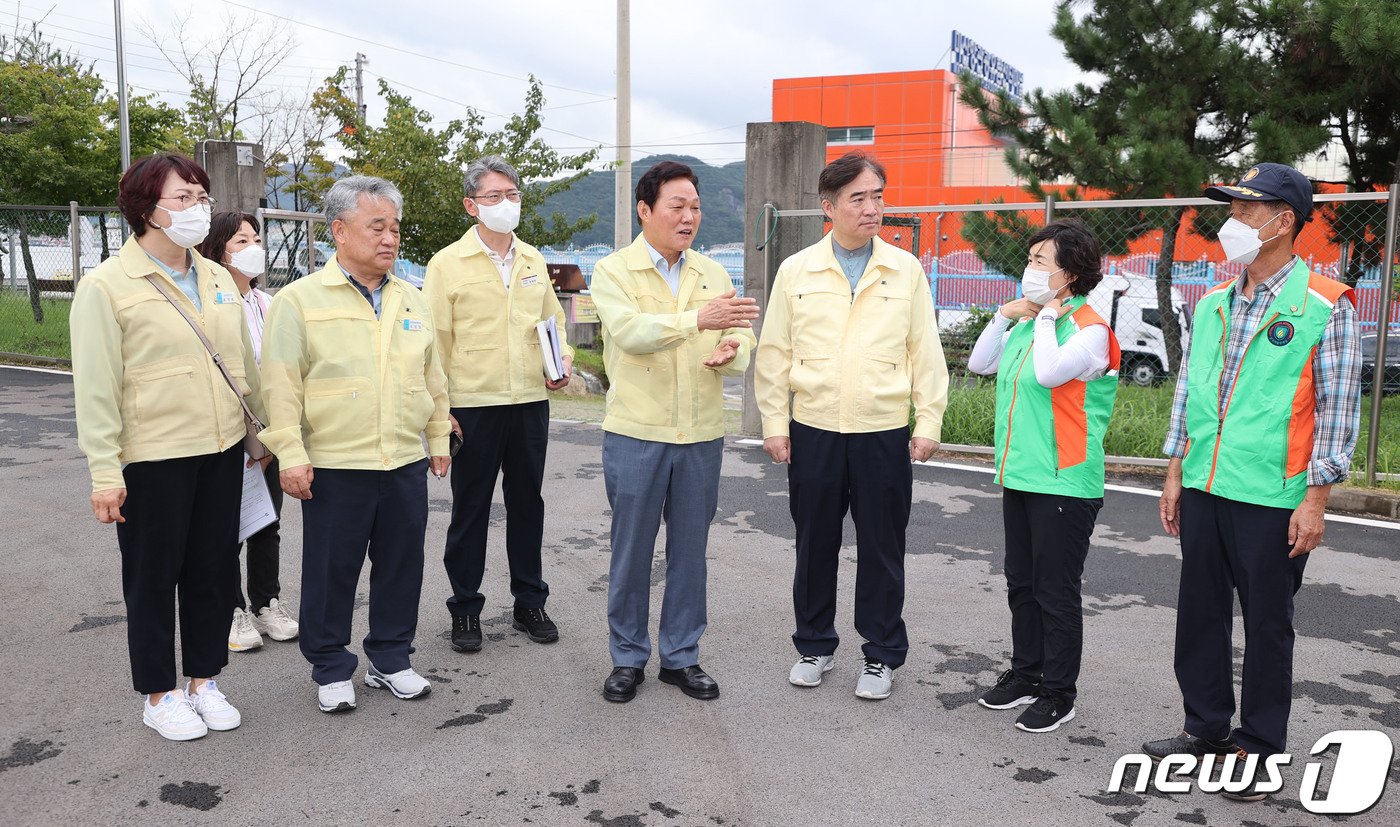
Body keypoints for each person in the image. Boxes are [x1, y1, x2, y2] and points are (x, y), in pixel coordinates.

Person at [1147, 163, 1362, 801]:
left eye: (1245, 211)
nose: (1231, 223)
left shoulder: (1326, 303)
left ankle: (1260, 745)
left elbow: (1337, 409)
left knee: (1268, 624)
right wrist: (1175, 471)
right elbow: (1190, 393)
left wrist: (1316, 498)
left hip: (1274, 497)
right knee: (1200, 615)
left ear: (1283, 222)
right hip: (1209, 488)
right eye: (1232, 210)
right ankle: (1206, 727)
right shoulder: (1212, 303)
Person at [72, 152, 260, 741]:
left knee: (211, 569)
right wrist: (106, 470)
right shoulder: (107, 286)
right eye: (185, 199)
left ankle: (204, 679)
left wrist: (259, 438)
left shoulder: (214, 276)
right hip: (152, 456)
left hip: (222, 446)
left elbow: (242, 365)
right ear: (146, 208)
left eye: (202, 198)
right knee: (153, 576)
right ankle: (158, 693)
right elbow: (97, 387)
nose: (198, 209)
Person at [755, 151, 949, 701]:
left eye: (878, 197)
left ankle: (881, 655)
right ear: (829, 207)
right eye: (858, 198)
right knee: (814, 543)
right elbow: (774, 353)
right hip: (813, 427)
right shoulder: (797, 270)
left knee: (883, 547)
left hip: (882, 430)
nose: (872, 209)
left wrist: (927, 418)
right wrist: (775, 422)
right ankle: (814, 645)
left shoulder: (904, 269)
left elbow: (925, 351)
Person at [259, 175, 452, 714]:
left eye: (394, 228)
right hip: (334, 463)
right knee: (331, 568)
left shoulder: (412, 300)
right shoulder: (299, 301)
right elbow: (280, 384)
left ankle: (391, 659)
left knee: (401, 564)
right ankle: (330, 666)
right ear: (339, 231)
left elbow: (433, 379)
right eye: (377, 227)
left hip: (403, 459)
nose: (389, 239)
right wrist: (291, 455)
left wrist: (437, 436)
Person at [590, 160, 759, 703]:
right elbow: (631, 333)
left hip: (701, 434)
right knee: (632, 550)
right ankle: (627, 658)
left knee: (690, 550)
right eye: (677, 206)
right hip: (636, 434)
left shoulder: (712, 271)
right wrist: (697, 322)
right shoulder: (614, 271)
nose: (689, 217)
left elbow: (738, 335)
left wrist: (734, 348)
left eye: (696, 207)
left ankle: (681, 656)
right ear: (645, 210)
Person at [966, 220, 1120, 732]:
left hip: (1065, 480)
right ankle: (1025, 673)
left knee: (1056, 591)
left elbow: (1050, 374)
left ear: (1070, 273)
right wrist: (1003, 315)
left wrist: (1050, 317)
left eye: (1039, 262)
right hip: (1022, 475)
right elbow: (980, 364)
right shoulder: (1030, 323)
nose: (1028, 270)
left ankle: (1058, 692)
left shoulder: (1091, 329)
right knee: (1022, 584)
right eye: (1028, 260)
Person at [423, 156, 573, 654]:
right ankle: (465, 609)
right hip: (472, 405)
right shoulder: (447, 264)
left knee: (528, 502)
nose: (505, 204)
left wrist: (562, 362)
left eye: (512, 195)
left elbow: (553, 323)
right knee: (471, 508)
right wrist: (440, 408)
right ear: (471, 206)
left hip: (530, 399)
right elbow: (435, 344)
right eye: (493, 197)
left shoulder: (531, 259)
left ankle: (530, 601)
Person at [197, 212, 299, 652]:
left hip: (269, 429)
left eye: (257, 238)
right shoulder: (212, 304)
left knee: (266, 521)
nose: (254, 246)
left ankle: (266, 603)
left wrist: (274, 435)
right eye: (242, 240)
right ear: (219, 249)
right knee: (225, 525)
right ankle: (231, 609)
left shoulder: (268, 303)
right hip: (227, 431)